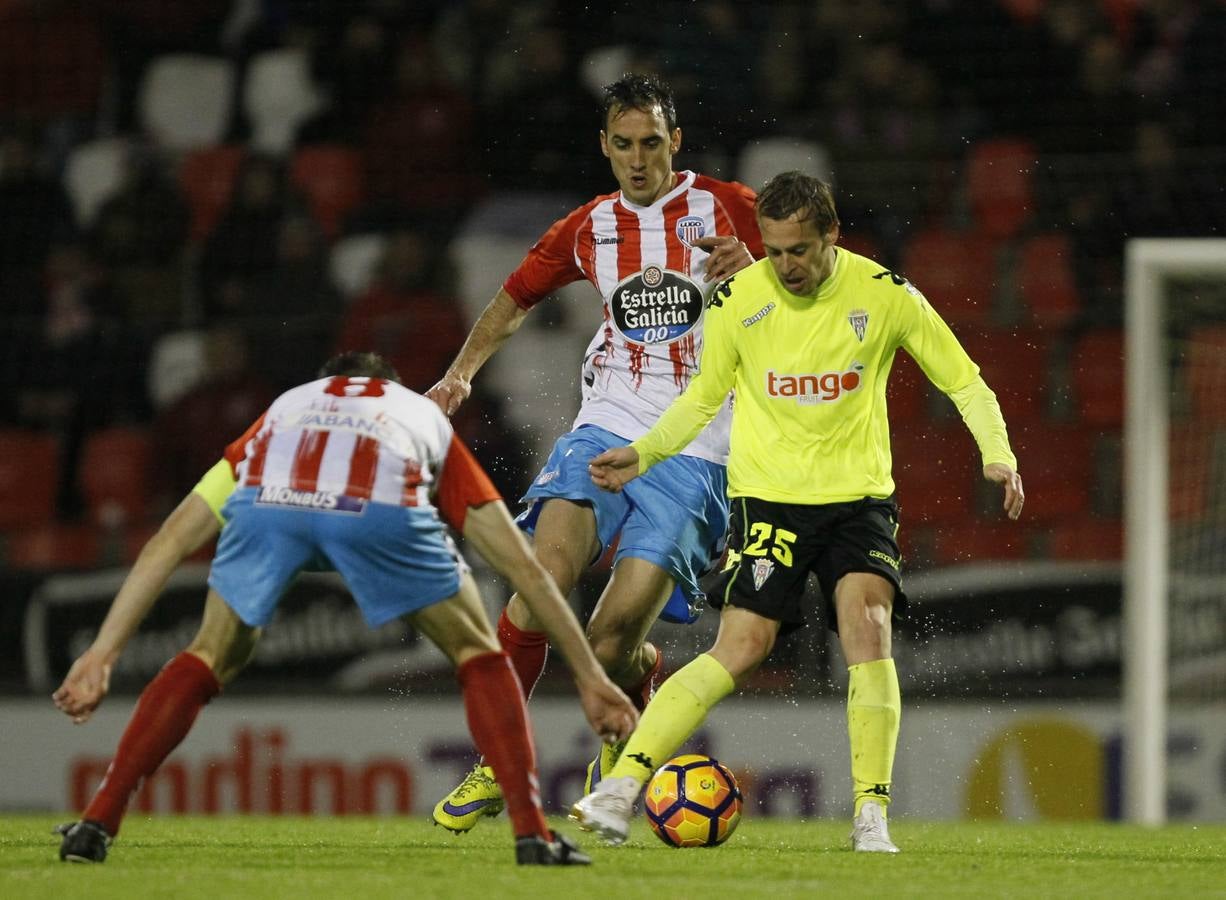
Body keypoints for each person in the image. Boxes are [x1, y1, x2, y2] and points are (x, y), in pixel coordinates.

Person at [571, 171, 1026, 852]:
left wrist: (999, 453)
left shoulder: (884, 295)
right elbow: (701, 399)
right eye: (775, 250)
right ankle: (620, 786)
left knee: (867, 625)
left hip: (857, 501)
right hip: (771, 501)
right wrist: (644, 453)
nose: (785, 265)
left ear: (832, 236)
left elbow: (962, 377)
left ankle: (871, 816)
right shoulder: (737, 299)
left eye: (800, 251)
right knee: (741, 647)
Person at [51, 351, 637, 866]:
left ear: (329, 383)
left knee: (213, 652)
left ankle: (96, 822)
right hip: (376, 507)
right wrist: (590, 678)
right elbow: (524, 570)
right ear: (388, 384)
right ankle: (532, 835)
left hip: (270, 507)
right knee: (478, 651)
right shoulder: (416, 413)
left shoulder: (286, 408)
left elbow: (169, 541)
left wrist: (103, 651)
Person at [426, 73, 763, 832]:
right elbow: (513, 300)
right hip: (606, 420)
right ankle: (498, 764)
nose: (638, 160)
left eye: (652, 143)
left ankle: (631, 710)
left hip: (699, 448)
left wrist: (763, 264)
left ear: (675, 142)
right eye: (623, 145)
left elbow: (823, 262)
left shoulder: (731, 206)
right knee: (542, 576)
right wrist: (458, 376)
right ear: (603, 147)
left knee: (613, 644)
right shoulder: (589, 227)